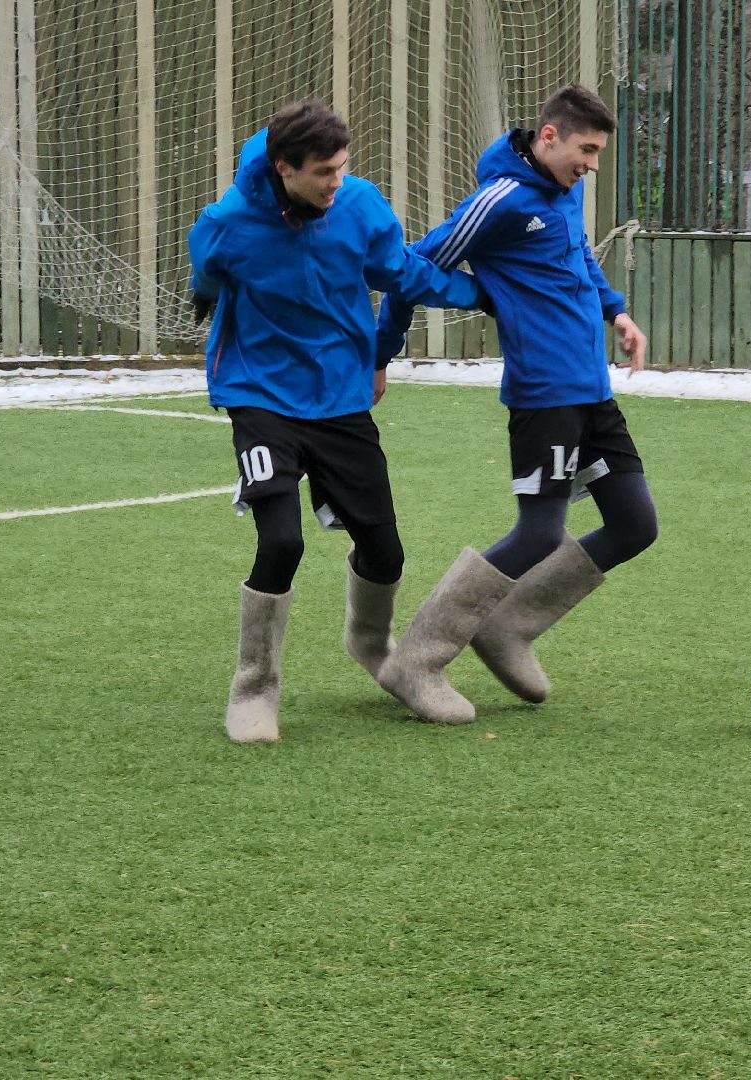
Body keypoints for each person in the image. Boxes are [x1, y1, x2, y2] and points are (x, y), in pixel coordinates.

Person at [188, 98, 489, 744]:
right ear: (284, 169)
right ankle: (254, 688)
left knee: (385, 549)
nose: (338, 182)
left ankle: (379, 651)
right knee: (283, 541)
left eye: (343, 167)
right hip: (260, 394)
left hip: (340, 399)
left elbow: (404, 272)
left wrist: (481, 294)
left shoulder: (359, 206)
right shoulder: (227, 224)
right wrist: (206, 297)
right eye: (324, 172)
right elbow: (206, 274)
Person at [373, 84, 656, 725]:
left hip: (592, 391)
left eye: (598, 154)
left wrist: (617, 311)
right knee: (539, 532)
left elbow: (578, 255)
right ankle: (415, 660)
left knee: (636, 525)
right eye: (585, 150)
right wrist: (380, 354)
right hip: (544, 395)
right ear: (549, 136)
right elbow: (411, 269)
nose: (591, 165)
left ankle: (507, 629)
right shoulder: (498, 201)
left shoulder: (565, 188)